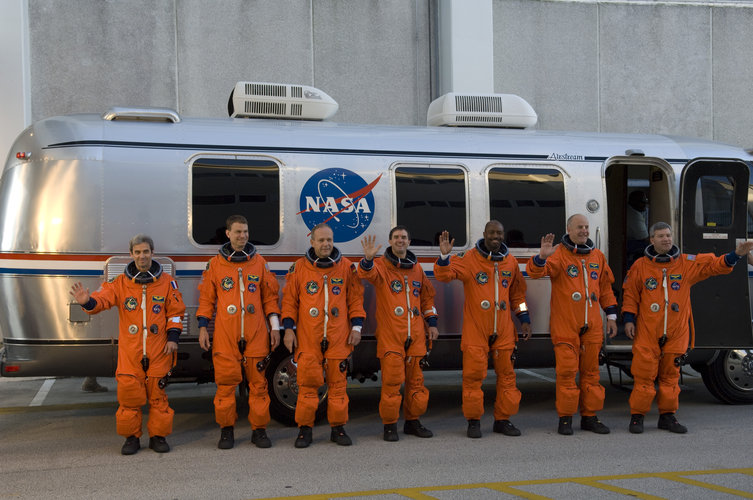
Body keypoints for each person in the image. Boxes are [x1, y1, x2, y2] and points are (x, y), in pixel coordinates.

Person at [622, 222, 753, 434]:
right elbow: (630, 294)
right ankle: (637, 417)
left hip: (676, 330)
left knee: (671, 376)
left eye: (668, 235)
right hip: (648, 330)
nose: (666, 239)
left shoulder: (685, 263)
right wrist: (628, 319)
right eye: (661, 236)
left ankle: (667, 416)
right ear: (651, 240)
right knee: (644, 375)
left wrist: (735, 255)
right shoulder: (640, 266)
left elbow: (715, 265)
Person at [69, 234, 184, 455]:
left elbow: (176, 313)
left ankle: (158, 437)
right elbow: (101, 301)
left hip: (159, 349)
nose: (142, 256)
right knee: (129, 397)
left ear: (153, 253)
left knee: (158, 397)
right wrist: (87, 301)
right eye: (138, 252)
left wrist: (173, 338)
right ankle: (131, 438)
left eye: (146, 252)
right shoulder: (120, 283)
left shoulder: (167, 283)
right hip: (131, 352)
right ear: (131, 254)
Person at [435, 220, 531, 438]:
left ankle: (503, 420)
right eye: (491, 233)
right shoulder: (469, 259)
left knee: (507, 376)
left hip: (504, 328)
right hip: (476, 328)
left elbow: (518, 295)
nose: (495, 236)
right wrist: (443, 257)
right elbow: (444, 276)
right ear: (484, 234)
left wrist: (524, 317)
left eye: (499, 233)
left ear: (503, 235)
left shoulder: (511, 262)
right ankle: (474, 421)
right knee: (473, 377)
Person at [527, 214, 618, 436]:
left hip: (593, 325)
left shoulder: (597, 256)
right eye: (579, 227)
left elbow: (605, 288)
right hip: (566, 324)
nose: (584, 231)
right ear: (569, 229)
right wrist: (541, 257)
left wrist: (612, 316)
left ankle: (590, 417)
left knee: (592, 374)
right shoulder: (559, 255)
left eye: (586, 227)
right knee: (567, 374)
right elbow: (535, 273)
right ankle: (565, 419)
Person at [197, 215, 281, 450]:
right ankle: (226, 431)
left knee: (259, 386)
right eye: (237, 232)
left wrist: (275, 328)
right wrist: (203, 327)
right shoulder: (215, 265)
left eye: (245, 232)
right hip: (226, 336)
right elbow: (206, 299)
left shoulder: (259, 263)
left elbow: (270, 298)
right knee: (225, 386)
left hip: (256, 334)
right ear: (228, 234)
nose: (242, 236)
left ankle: (259, 430)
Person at [282, 223, 365, 448]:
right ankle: (304, 430)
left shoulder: (346, 267)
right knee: (308, 386)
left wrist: (357, 328)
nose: (326, 244)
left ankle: (338, 429)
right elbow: (289, 301)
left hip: (339, 337)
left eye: (329, 240)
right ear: (312, 242)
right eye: (321, 240)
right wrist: (288, 329)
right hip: (309, 338)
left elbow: (355, 300)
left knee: (338, 387)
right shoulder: (299, 268)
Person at [358, 226, 439, 441]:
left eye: (403, 237)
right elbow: (367, 274)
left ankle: (413, 422)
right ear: (390, 241)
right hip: (391, 335)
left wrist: (432, 323)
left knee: (416, 383)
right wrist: (367, 259)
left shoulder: (417, 269)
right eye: (396, 237)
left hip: (416, 335)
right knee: (392, 383)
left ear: (409, 241)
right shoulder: (381, 266)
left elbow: (427, 298)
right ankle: (390, 425)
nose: (400, 240)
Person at [627, 191, 650, 266]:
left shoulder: (632, 211)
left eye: (646, 202)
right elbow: (644, 238)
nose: (645, 205)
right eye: (642, 202)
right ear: (633, 202)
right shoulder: (634, 215)